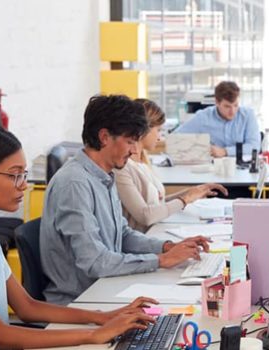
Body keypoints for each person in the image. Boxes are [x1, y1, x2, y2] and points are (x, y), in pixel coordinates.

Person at [0, 121, 156, 349]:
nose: (23, 184)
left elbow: (26, 307)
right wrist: (95, 335)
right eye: (14, 175)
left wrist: (103, 316)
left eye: (23, 174)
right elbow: (0, 335)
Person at [40, 95, 210, 305]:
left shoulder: (104, 175)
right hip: (80, 302)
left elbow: (123, 235)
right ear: (104, 137)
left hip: (104, 289)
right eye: (130, 141)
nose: (134, 150)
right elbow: (95, 262)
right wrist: (160, 260)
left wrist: (167, 247)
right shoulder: (75, 184)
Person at [116, 98, 228, 232]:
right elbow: (146, 215)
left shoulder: (143, 162)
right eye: (158, 130)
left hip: (155, 230)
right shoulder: (122, 168)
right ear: (143, 130)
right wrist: (185, 199)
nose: (159, 137)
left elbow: (158, 204)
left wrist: (192, 193)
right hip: (143, 238)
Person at [176, 81, 261, 158]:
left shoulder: (248, 115)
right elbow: (176, 137)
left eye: (235, 105)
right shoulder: (203, 117)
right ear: (217, 102)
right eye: (227, 106)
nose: (233, 111)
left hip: (243, 169)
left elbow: (254, 146)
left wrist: (225, 151)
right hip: (213, 169)